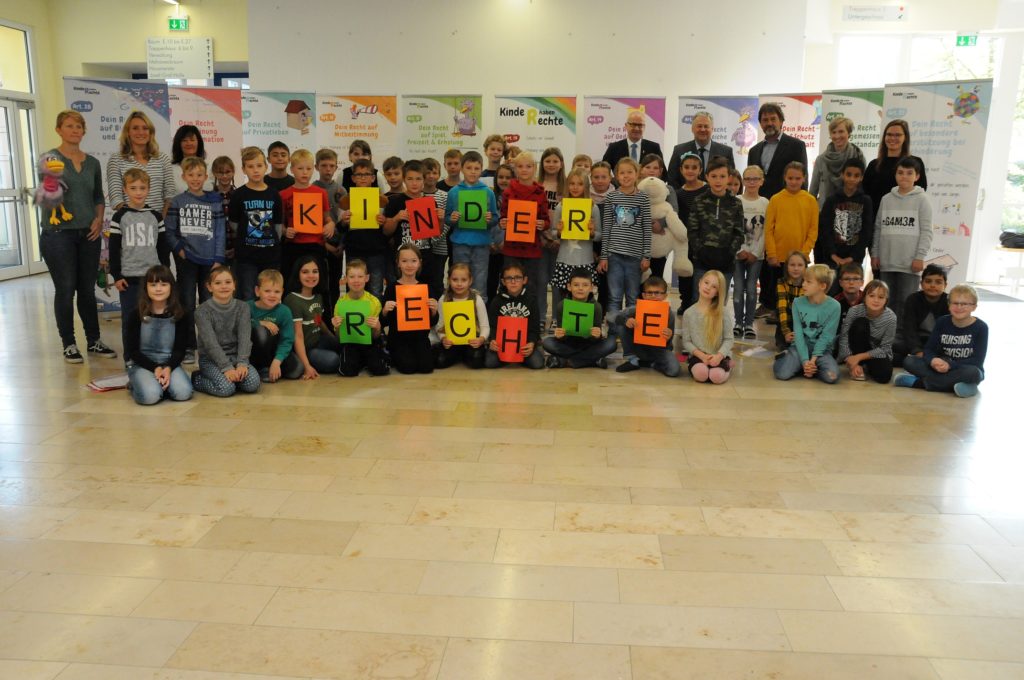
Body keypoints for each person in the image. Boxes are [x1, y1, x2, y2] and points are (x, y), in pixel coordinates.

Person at [39, 110, 118, 363]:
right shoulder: (50, 159)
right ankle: (69, 343)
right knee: (65, 289)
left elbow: (98, 196)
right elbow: (49, 195)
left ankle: (93, 340)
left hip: (89, 233)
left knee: (86, 289)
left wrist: (98, 219)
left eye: (79, 126)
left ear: (84, 131)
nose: (75, 130)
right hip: (58, 234)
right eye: (69, 126)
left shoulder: (93, 163)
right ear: (59, 130)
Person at [165, 156, 226, 364]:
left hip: (210, 262)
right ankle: (189, 346)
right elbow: (169, 231)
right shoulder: (178, 201)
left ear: (206, 176)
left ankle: (209, 346)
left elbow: (220, 232)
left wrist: (219, 257)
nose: (195, 178)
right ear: (183, 177)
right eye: (190, 175)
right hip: (188, 260)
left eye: (199, 175)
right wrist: (179, 249)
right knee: (188, 303)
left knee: (209, 305)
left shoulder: (215, 200)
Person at [108, 168, 171, 359]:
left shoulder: (156, 216)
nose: (138, 192)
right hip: (129, 279)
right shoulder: (119, 217)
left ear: (149, 189)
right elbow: (113, 249)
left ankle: (154, 357)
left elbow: (162, 247)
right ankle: (130, 359)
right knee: (130, 319)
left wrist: (165, 274)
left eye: (142, 188)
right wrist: (117, 275)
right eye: (133, 188)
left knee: (154, 318)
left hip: (152, 279)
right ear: (125, 190)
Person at [895, 284, 987, 398]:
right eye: (955, 303)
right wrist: (933, 360)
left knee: (974, 373)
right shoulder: (942, 322)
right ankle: (963, 386)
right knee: (909, 361)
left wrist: (950, 365)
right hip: (939, 367)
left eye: (964, 304)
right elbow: (929, 349)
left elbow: (977, 360)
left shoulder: (981, 327)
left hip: (963, 368)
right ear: (949, 305)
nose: (959, 307)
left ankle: (918, 383)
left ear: (974, 307)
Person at [871, 156, 932, 321]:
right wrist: (875, 254)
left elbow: (927, 231)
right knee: (886, 303)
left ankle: (903, 342)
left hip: (909, 264)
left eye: (909, 173)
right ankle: (886, 341)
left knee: (906, 304)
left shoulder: (922, 200)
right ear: (895, 175)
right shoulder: (886, 199)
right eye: (900, 172)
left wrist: (920, 257)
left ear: (917, 176)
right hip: (887, 262)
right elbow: (878, 228)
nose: (904, 176)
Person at [124, 265, 193, 405]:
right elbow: (132, 351)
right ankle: (135, 384)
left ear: (171, 287)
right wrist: (155, 368)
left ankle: (162, 384)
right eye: (153, 284)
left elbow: (180, 350)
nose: (158, 289)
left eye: (163, 284)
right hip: (142, 364)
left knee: (183, 393)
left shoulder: (180, 314)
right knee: (150, 397)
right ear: (146, 288)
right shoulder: (135, 314)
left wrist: (167, 368)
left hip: (169, 363)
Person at [192, 267, 261, 397]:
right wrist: (227, 368)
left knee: (253, 384)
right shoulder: (202, 311)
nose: (223, 286)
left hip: (236, 356)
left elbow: (245, 338)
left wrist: (242, 363)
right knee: (226, 389)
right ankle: (198, 379)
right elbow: (210, 344)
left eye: (228, 282)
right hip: (211, 359)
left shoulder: (243, 307)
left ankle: (233, 379)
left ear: (234, 285)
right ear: (209, 287)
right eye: (218, 283)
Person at [598, 157, 651, 320]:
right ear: (616, 175)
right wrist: (604, 256)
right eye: (622, 173)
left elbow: (647, 228)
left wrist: (646, 255)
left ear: (637, 174)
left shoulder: (643, 198)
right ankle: (614, 331)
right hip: (614, 255)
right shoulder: (611, 198)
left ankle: (629, 333)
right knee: (614, 297)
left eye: (630, 172)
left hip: (635, 257)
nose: (626, 176)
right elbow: (607, 227)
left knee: (632, 297)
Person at [228, 147, 284, 300]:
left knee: (270, 295)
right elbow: (234, 224)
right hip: (246, 257)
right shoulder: (238, 195)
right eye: (250, 166)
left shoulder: (274, 194)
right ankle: (249, 325)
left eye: (259, 165)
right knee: (248, 295)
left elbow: (278, 226)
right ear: (243, 170)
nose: (255, 170)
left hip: (271, 256)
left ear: (266, 167)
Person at [445, 150, 500, 302]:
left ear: (481, 169)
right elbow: (447, 218)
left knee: (480, 280)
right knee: (459, 280)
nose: (473, 172)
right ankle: (460, 313)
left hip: (482, 244)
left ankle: (478, 317)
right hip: (460, 243)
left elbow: (495, 218)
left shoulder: (488, 193)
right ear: (462, 169)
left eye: (476, 168)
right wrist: (453, 218)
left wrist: (490, 219)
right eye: (469, 168)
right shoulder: (454, 192)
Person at [773, 264, 841, 384]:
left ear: (822, 286)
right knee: (782, 374)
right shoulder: (797, 303)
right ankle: (797, 362)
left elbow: (827, 336)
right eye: (804, 281)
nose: (803, 284)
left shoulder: (835, 306)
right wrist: (805, 361)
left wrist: (813, 360)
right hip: (799, 347)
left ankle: (809, 368)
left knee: (832, 376)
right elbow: (798, 334)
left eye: (808, 282)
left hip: (822, 350)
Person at [764, 161, 818, 313]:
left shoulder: (810, 200)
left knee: (799, 293)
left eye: (797, 178)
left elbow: (813, 230)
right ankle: (779, 320)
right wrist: (772, 254)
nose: (794, 181)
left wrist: (805, 253)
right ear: (785, 178)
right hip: (779, 257)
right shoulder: (776, 199)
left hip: (800, 259)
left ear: (804, 179)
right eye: (790, 178)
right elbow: (768, 229)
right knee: (779, 293)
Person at [688, 157, 745, 298]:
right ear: (707, 177)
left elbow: (739, 232)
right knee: (700, 301)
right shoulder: (699, 200)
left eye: (722, 176)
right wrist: (700, 251)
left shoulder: (736, 203)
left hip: (726, 263)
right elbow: (692, 231)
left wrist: (730, 252)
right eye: (713, 176)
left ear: (728, 178)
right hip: (702, 262)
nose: (718, 180)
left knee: (719, 304)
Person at [815, 158, 873, 293]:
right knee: (831, 293)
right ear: (842, 175)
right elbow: (825, 229)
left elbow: (866, 232)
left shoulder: (866, 201)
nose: (852, 179)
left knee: (851, 293)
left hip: (855, 258)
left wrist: (852, 257)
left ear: (861, 178)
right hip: (832, 258)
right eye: (848, 174)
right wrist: (833, 255)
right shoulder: (831, 200)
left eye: (856, 175)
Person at [280, 149, 335, 287]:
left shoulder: (321, 193)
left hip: (316, 245)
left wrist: (331, 225)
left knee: (319, 286)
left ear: (313, 169)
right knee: (291, 284)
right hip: (293, 246)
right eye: (300, 168)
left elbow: (327, 218)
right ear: (292, 169)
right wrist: (285, 231)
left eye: (309, 168)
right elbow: (279, 223)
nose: (305, 172)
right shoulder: (284, 194)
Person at [542, 267, 616, 369]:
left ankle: (565, 361)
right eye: (576, 285)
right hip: (568, 345)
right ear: (569, 286)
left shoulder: (596, 307)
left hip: (589, 345)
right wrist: (560, 335)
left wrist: (597, 335)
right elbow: (562, 337)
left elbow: (595, 339)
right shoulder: (562, 306)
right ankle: (592, 360)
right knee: (547, 343)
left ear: (591, 288)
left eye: (585, 285)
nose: (580, 288)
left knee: (611, 343)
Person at [385, 160, 440, 292]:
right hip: (403, 260)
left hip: (425, 257)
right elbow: (386, 232)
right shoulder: (394, 201)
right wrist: (396, 218)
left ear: (424, 180)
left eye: (418, 179)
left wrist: (440, 219)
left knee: (425, 295)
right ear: (404, 180)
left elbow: (437, 234)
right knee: (403, 295)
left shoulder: (430, 202)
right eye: (410, 179)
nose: (414, 183)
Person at [550, 169, 601, 312]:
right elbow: (553, 234)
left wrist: (591, 233)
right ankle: (556, 319)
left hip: (585, 261)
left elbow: (599, 235)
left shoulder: (593, 207)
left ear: (586, 186)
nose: (575, 187)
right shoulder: (561, 206)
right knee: (560, 294)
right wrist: (559, 231)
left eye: (580, 184)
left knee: (584, 296)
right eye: (571, 183)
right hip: (565, 260)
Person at [382, 244, 438, 374]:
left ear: (419, 263)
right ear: (398, 264)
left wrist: (434, 311)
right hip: (399, 339)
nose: (409, 265)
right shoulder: (391, 288)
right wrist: (385, 311)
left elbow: (432, 322)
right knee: (408, 367)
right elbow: (384, 322)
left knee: (427, 367)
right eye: (404, 261)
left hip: (420, 338)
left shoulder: (425, 288)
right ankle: (391, 353)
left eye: (413, 261)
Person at [106, 111, 176, 215]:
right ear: (128, 132)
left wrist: (160, 220)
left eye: (145, 128)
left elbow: (170, 195)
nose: (140, 132)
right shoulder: (116, 160)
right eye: (135, 128)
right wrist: (134, 220)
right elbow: (116, 198)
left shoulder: (163, 159)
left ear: (150, 132)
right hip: (128, 224)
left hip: (158, 224)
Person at [338, 158, 389, 298]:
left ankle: (376, 320)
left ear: (373, 178)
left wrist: (383, 221)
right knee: (354, 290)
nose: (362, 178)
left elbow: (387, 229)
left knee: (376, 290)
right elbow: (340, 228)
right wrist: (343, 221)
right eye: (359, 175)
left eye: (366, 174)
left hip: (376, 252)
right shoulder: (345, 200)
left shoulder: (382, 200)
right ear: (353, 178)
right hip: (354, 250)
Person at [285, 254, 342, 378]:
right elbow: (298, 336)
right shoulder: (293, 300)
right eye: (305, 272)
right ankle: (304, 362)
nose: (311, 275)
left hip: (318, 342)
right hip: (305, 349)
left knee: (344, 345)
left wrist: (335, 340)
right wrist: (307, 366)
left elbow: (319, 322)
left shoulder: (318, 296)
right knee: (334, 360)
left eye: (315, 271)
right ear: (297, 274)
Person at [614, 275, 681, 377]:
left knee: (674, 370)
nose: (653, 296)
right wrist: (626, 320)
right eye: (649, 293)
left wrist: (668, 336)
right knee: (622, 323)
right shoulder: (636, 309)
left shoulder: (669, 313)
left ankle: (652, 364)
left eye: (657, 293)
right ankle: (632, 360)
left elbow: (668, 342)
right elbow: (613, 317)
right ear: (644, 295)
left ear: (665, 296)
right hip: (638, 347)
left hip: (659, 351)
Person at [333, 259, 389, 377]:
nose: (356, 280)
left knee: (380, 370)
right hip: (350, 343)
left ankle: (367, 360)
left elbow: (375, 336)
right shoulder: (341, 303)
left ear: (367, 278)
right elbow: (339, 337)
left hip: (370, 342)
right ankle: (360, 360)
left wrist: (377, 327)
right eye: (352, 277)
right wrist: (337, 327)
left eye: (360, 276)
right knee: (347, 371)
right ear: (346, 279)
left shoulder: (374, 302)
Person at [486, 260, 544, 369]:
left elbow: (535, 328)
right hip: (502, 345)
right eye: (509, 278)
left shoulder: (531, 300)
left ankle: (526, 354)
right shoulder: (497, 301)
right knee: (490, 363)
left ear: (524, 280)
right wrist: (492, 340)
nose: (513, 281)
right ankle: (511, 357)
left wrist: (531, 343)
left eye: (517, 277)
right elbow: (492, 325)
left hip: (523, 345)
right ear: (503, 281)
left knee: (537, 363)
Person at [837, 279, 896, 383]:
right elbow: (844, 337)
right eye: (871, 296)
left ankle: (865, 366)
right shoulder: (854, 311)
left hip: (874, 352)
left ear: (886, 300)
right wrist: (851, 360)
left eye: (881, 297)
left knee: (884, 377)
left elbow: (885, 348)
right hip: (856, 348)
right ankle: (858, 367)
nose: (876, 300)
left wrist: (858, 357)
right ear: (864, 297)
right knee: (861, 323)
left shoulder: (891, 317)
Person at [248, 268, 302, 383]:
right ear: (257, 291)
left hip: (274, 351)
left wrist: (277, 361)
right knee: (261, 332)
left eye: (277, 292)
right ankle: (261, 368)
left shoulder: (284, 311)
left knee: (297, 370)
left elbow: (287, 340)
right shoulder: (246, 307)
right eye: (267, 291)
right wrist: (259, 323)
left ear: (282, 292)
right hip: (253, 353)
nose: (272, 295)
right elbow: (237, 326)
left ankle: (273, 367)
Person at [864, 119, 927, 216]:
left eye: (898, 135)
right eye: (889, 134)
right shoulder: (874, 165)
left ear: (905, 138)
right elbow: (866, 194)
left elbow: (920, 191)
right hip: (877, 220)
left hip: (905, 219)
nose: (892, 138)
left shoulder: (916, 162)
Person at [681, 270, 734, 383]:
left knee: (716, 377)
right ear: (699, 283)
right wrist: (702, 357)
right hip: (699, 356)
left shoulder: (723, 312)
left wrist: (719, 356)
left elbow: (729, 339)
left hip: (719, 355)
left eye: (714, 286)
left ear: (718, 293)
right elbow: (686, 341)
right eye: (706, 282)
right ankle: (706, 367)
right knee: (701, 375)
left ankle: (728, 365)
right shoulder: (688, 313)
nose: (708, 287)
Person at [748, 103, 809, 200]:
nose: (769, 123)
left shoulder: (797, 146)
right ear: (760, 124)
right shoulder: (753, 151)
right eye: (765, 120)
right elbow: (750, 180)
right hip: (760, 206)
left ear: (781, 121)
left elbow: (802, 180)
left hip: (787, 204)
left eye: (773, 119)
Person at [435, 262, 489, 369]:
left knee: (477, 362)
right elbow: (439, 325)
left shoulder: (477, 299)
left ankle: (464, 355)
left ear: (470, 281)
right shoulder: (444, 299)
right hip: (452, 342)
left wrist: (481, 339)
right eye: (455, 280)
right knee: (439, 361)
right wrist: (443, 338)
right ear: (449, 280)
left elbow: (485, 326)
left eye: (464, 280)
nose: (459, 284)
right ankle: (458, 355)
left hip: (472, 341)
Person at [734, 165, 768, 339]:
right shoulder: (736, 200)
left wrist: (755, 252)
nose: (751, 182)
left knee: (752, 289)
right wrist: (740, 250)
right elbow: (733, 228)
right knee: (738, 289)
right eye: (747, 179)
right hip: (738, 254)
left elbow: (766, 231)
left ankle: (748, 324)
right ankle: (738, 322)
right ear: (743, 181)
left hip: (757, 256)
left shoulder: (765, 203)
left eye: (755, 179)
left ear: (762, 181)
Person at [894, 264, 949, 367]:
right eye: (928, 281)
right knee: (894, 344)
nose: (932, 285)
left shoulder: (949, 302)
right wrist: (917, 350)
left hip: (937, 342)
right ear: (921, 284)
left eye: (938, 282)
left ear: (945, 285)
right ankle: (924, 361)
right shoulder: (913, 299)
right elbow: (909, 328)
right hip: (917, 340)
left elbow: (949, 333)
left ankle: (920, 362)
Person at [674, 152, 709, 312]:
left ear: (700, 170)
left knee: (701, 272)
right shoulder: (678, 193)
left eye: (694, 167)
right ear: (681, 170)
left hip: (704, 240)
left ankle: (701, 302)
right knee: (685, 271)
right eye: (686, 167)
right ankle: (685, 301)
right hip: (684, 240)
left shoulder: (708, 189)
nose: (690, 171)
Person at [809, 117, 865, 209]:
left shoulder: (858, 155)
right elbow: (812, 192)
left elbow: (862, 185)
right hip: (826, 213)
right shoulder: (821, 160)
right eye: (834, 132)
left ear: (849, 133)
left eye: (841, 131)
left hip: (851, 211)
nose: (837, 136)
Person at [667, 111, 735, 186]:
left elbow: (731, 180)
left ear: (712, 129)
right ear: (692, 129)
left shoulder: (726, 152)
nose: (702, 129)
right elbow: (672, 180)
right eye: (699, 126)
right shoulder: (679, 150)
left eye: (706, 126)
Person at [423, 157, 451, 298]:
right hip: (420, 249)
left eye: (434, 172)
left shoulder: (444, 196)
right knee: (421, 282)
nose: (431, 176)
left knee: (437, 282)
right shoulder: (417, 195)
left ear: (439, 174)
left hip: (439, 249)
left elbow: (447, 222)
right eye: (427, 173)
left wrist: (434, 239)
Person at [775, 250, 809, 350]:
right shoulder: (781, 282)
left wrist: (801, 332)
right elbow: (782, 309)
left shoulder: (809, 283)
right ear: (786, 267)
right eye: (792, 265)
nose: (796, 268)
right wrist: (786, 332)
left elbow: (806, 311)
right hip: (787, 321)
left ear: (805, 267)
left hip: (804, 322)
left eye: (800, 265)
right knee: (784, 345)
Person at [211, 156, 237, 263]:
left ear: (233, 172)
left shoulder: (239, 195)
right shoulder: (209, 197)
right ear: (214, 173)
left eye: (228, 172)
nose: (225, 176)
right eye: (220, 172)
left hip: (237, 248)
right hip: (215, 250)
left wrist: (237, 248)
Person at [170, 124, 206, 195]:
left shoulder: (209, 168)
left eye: (192, 140)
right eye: (184, 140)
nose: (189, 143)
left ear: (199, 142)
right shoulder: (171, 170)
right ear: (178, 144)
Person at [833, 262, 865, 335]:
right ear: (840, 283)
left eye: (856, 279)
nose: (851, 282)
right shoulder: (835, 302)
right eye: (847, 279)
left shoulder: (868, 300)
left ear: (862, 282)